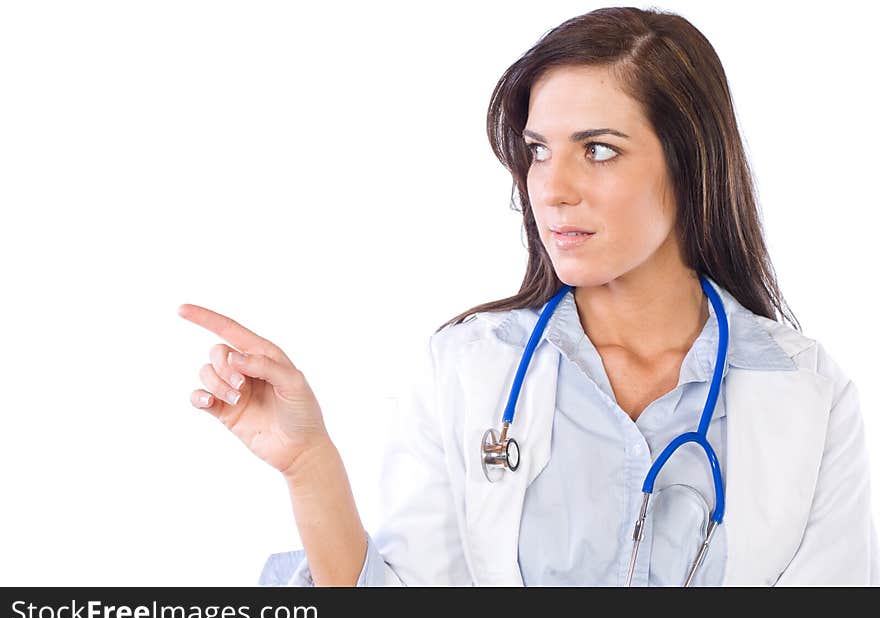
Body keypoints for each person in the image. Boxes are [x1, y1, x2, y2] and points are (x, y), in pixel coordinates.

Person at [178, 7, 879, 586]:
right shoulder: (470, 369)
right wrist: (309, 464)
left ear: (689, 162)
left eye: (597, 149)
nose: (551, 186)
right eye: (539, 149)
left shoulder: (808, 396)